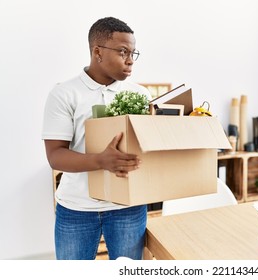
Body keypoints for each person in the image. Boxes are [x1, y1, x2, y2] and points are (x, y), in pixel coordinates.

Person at [42, 17, 151, 260]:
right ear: (97, 52)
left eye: (134, 53)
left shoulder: (140, 94)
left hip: (128, 208)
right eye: (123, 52)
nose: (130, 60)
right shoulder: (64, 94)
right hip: (76, 209)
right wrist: (101, 161)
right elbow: (55, 156)